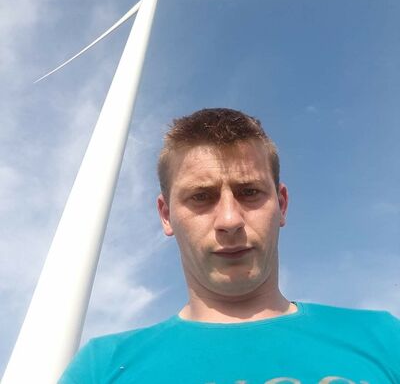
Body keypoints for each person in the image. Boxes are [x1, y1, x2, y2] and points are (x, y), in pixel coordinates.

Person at [59, 108, 400, 384]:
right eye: (201, 196)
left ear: (281, 204)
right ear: (166, 215)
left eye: (249, 192)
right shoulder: (101, 367)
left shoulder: (384, 338)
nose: (229, 220)